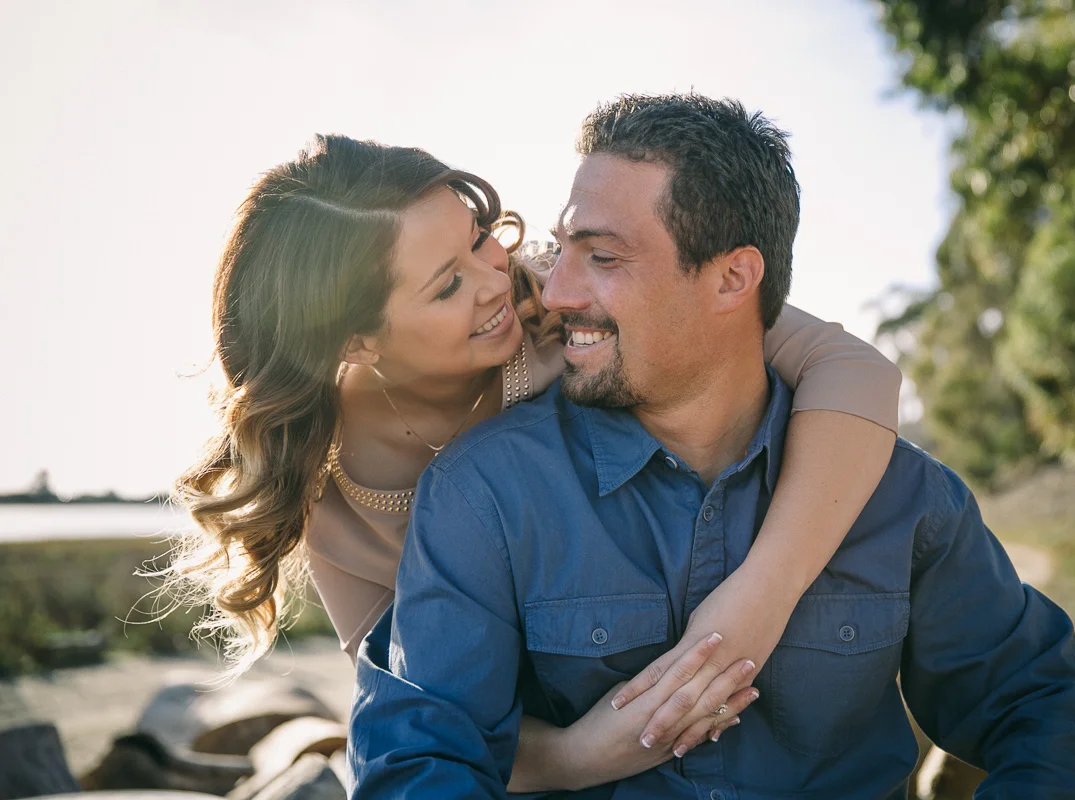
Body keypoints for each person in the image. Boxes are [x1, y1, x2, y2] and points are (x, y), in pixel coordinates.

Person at [347, 94, 1075, 798]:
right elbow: (418, 760)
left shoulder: (897, 494)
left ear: (732, 280)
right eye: (563, 248)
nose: (553, 292)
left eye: (605, 256)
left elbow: (1050, 711)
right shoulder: (482, 493)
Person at [167, 133, 903, 792]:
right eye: (447, 285)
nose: (496, 278)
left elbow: (855, 368)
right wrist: (579, 756)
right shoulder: (322, 488)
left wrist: (760, 598)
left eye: (480, 237)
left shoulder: (566, 299)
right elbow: (420, 710)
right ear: (355, 342)